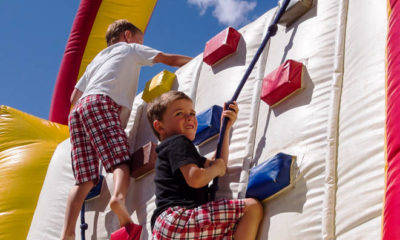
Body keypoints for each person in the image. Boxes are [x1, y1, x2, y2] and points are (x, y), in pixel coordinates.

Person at [61, 19, 192, 240]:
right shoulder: (130, 48)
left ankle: (68, 233)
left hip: (77, 113)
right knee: (119, 161)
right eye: (140, 40)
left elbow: (73, 98)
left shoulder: (96, 60)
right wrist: (197, 60)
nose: (141, 44)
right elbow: (167, 59)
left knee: (84, 180)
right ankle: (119, 198)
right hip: (102, 103)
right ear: (128, 36)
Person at [146, 90, 263, 240]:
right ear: (160, 127)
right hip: (178, 221)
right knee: (251, 208)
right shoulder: (178, 142)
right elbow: (196, 178)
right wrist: (216, 168)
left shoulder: (175, 151)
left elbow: (217, 164)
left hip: (164, 231)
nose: (189, 118)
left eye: (192, 113)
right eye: (179, 114)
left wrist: (225, 128)